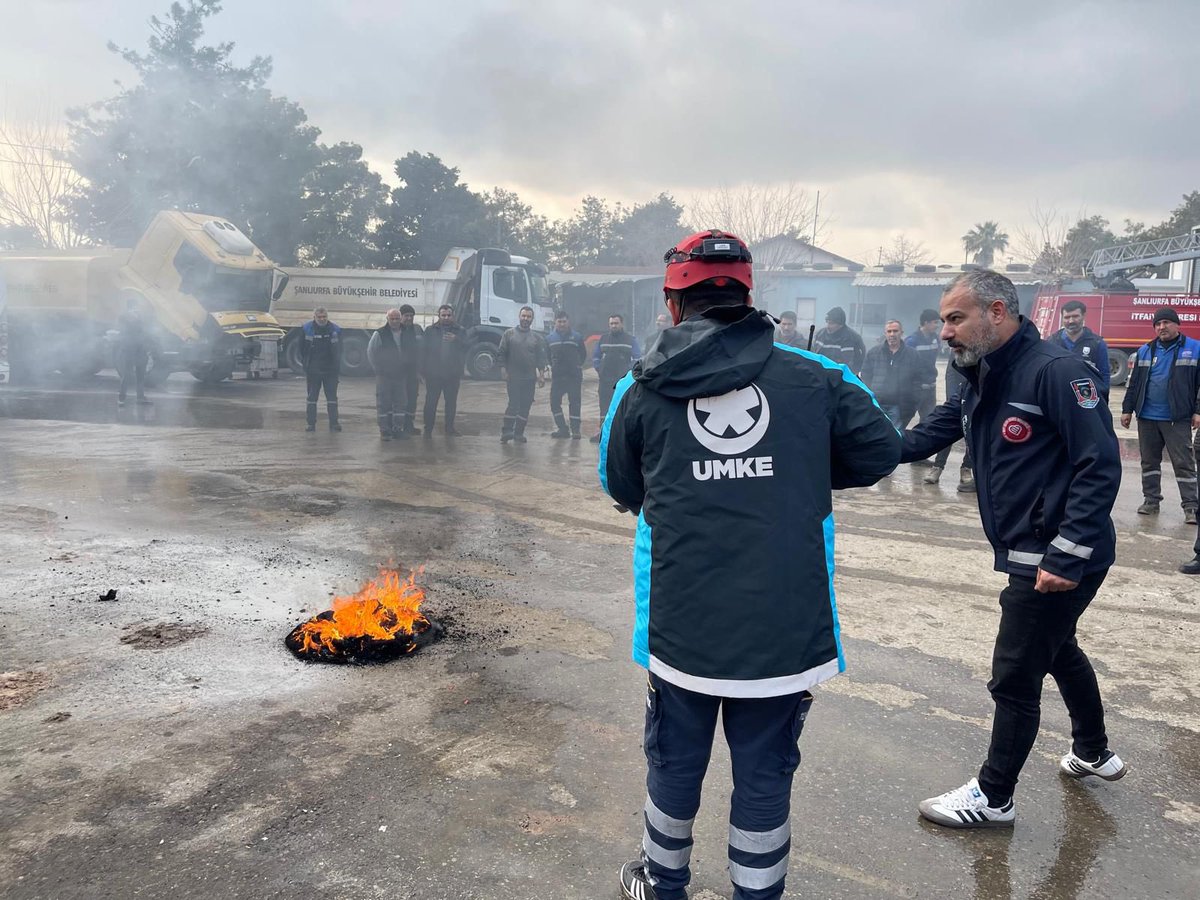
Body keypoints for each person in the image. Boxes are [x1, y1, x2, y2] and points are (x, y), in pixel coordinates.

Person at [600, 229, 900, 900]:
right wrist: (797, 471)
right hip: (784, 625)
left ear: (673, 304)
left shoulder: (638, 387)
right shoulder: (821, 376)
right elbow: (883, 449)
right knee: (765, 777)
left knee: (674, 763)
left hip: (682, 623)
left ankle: (662, 884)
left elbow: (619, 484)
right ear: (747, 294)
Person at [901, 270, 1125, 830]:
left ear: (996, 311)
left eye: (956, 318)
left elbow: (1099, 464)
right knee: (1058, 647)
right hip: (1031, 550)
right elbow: (935, 429)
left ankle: (994, 796)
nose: (945, 331)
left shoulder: (1056, 371)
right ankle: (1094, 751)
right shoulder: (981, 373)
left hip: (1058, 555)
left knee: (1015, 675)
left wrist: (1067, 553)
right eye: (945, 320)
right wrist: (862, 448)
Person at [1120, 306, 1200, 524]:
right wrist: (1127, 409)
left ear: (1177, 325)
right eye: (1157, 324)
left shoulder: (1195, 348)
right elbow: (1134, 383)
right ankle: (1151, 501)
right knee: (1149, 462)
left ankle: (1191, 507)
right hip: (1147, 416)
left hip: (1177, 418)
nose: (1161, 327)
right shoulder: (1145, 351)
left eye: (1166, 322)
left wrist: (1198, 411)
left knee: (1183, 463)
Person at [859, 319, 922, 428]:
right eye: (889, 331)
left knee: (895, 436)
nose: (892, 334)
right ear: (885, 333)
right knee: (876, 433)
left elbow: (918, 381)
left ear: (901, 333)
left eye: (895, 331)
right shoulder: (873, 353)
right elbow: (865, 377)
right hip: (877, 405)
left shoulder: (913, 355)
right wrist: (869, 399)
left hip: (899, 407)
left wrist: (913, 404)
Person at [498, 305, 548, 443]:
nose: (526, 319)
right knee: (513, 404)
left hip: (529, 378)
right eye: (523, 316)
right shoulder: (509, 334)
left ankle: (518, 434)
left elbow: (541, 358)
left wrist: (541, 375)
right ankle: (506, 432)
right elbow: (501, 353)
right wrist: (503, 370)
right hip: (513, 377)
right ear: (519, 317)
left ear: (532, 319)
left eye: (528, 316)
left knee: (525, 406)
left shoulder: (537, 338)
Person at [367, 308, 418, 441]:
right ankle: (384, 430)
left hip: (401, 374)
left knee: (401, 403)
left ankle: (398, 429)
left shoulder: (406, 332)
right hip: (384, 375)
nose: (395, 321)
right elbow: (371, 352)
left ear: (400, 319)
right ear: (387, 319)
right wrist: (378, 369)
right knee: (383, 403)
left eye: (397, 318)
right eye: (392, 319)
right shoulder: (380, 334)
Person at [923, 363, 975, 491]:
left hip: (976, 396)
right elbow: (951, 373)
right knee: (946, 430)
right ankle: (937, 467)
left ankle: (966, 468)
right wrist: (953, 397)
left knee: (972, 434)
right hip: (958, 395)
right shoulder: (958, 354)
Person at [590, 313, 641, 442]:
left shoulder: (630, 340)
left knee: (622, 407)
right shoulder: (603, 339)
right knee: (604, 407)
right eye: (611, 324)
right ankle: (603, 433)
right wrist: (599, 368)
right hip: (605, 380)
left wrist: (627, 372)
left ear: (621, 324)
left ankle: (621, 436)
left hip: (622, 381)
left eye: (616, 323)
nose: (613, 326)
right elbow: (595, 356)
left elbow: (637, 358)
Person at [1048, 299, 1110, 398]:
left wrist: (1103, 398)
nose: (1071, 321)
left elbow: (1104, 374)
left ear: (1083, 316)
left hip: (1085, 397)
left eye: (1075, 316)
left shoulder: (1097, 343)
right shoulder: (1051, 342)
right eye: (1067, 317)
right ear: (1062, 318)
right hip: (1058, 396)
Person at [421, 304, 467, 436]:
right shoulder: (430, 330)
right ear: (439, 316)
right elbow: (423, 351)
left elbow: (467, 346)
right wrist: (423, 371)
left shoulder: (460, 330)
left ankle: (449, 429)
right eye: (443, 315)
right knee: (430, 403)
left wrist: (456, 340)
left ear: (453, 316)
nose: (446, 317)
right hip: (434, 374)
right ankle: (428, 429)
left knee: (451, 403)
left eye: (449, 315)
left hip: (452, 374)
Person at [545, 309, 587, 439]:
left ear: (568, 322)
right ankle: (562, 429)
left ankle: (575, 430)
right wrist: (554, 367)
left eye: (564, 321)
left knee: (574, 403)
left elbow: (583, 354)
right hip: (558, 377)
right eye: (559, 321)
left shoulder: (577, 337)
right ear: (555, 322)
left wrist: (576, 365)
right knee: (554, 403)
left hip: (574, 376)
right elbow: (547, 356)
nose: (562, 324)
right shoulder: (549, 338)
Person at [300, 307, 341, 432]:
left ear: (327, 317)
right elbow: (301, 348)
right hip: (313, 371)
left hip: (330, 370)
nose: (322, 319)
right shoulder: (306, 329)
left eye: (324, 317)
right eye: (319, 317)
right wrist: (307, 365)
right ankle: (311, 424)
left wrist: (337, 367)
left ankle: (334, 424)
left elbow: (341, 349)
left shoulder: (335, 329)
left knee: (332, 399)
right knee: (312, 399)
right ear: (314, 317)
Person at [116, 297, 154, 407]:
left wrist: (147, 349)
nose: (137, 309)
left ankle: (140, 397)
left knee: (141, 375)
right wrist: (133, 318)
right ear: (130, 307)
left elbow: (144, 333)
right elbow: (124, 331)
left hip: (141, 350)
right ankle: (121, 398)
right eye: (135, 306)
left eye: (137, 307)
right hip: (129, 350)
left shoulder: (140, 317)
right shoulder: (123, 317)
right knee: (127, 374)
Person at [811, 306, 865, 372]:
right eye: (827, 322)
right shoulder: (820, 335)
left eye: (831, 324)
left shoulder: (852, 338)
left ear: (841, 324)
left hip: (842, 375)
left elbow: (858, 361)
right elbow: (813, 354)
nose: (828, 326)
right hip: (821, 373)